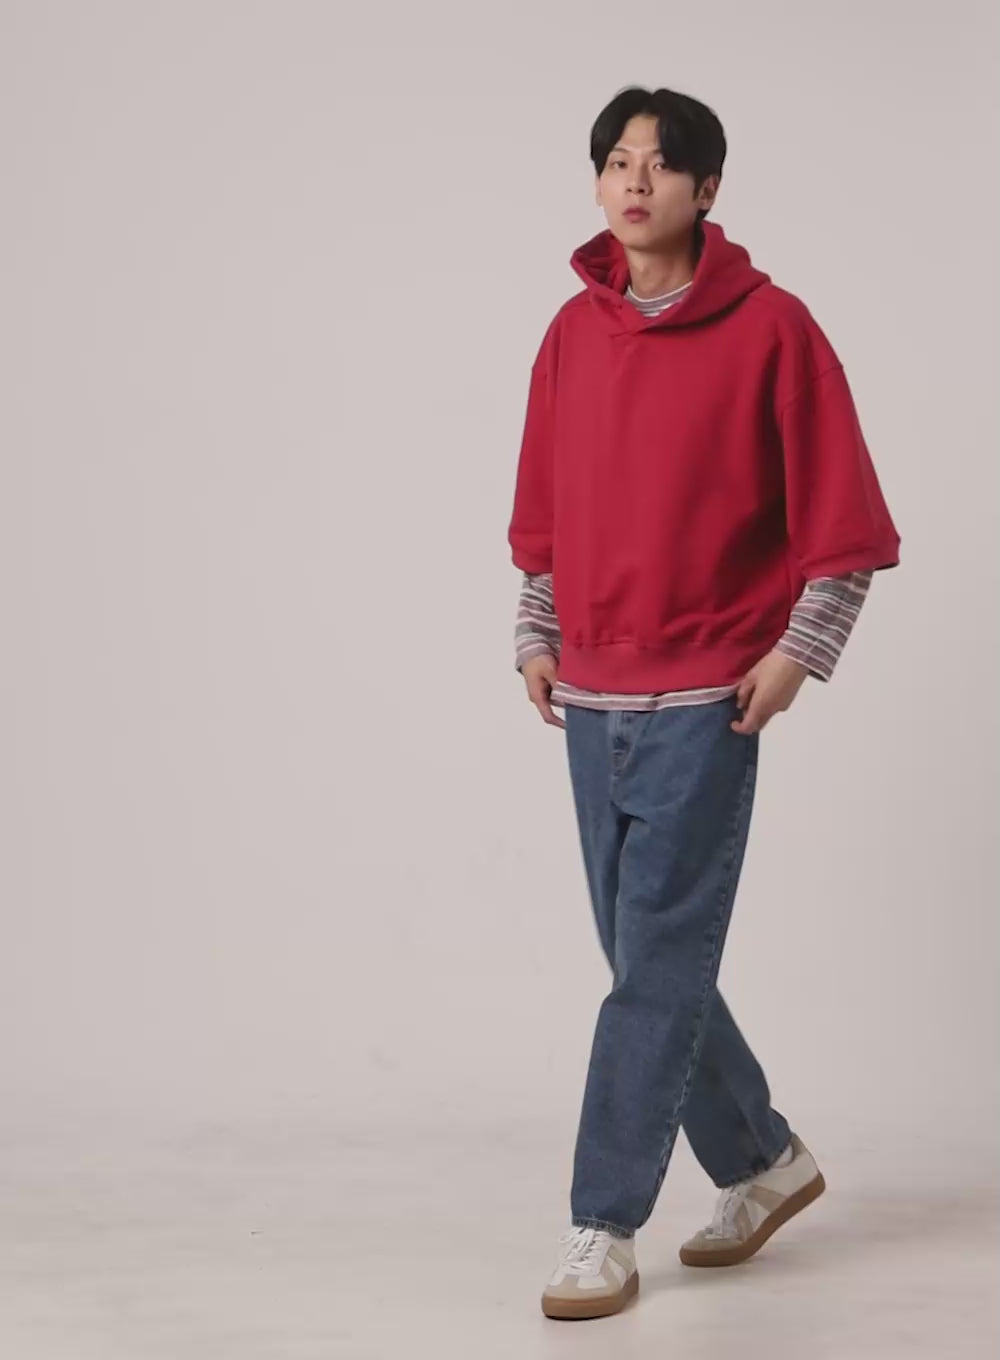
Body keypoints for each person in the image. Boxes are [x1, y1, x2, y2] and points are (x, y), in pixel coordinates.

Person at [507, 85, 900, 1322]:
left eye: (661, 165)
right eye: (615, 162)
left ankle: (604, 1220)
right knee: (649, 963)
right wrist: (535, 628)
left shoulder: (774, 329)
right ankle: (763, 1157)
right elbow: (546, 506)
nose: (634, 183)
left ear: (706, 189)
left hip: (706, 698)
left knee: (651, 971)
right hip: (589, 693)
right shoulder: (571, 334)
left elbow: (843, 521)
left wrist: (797, 656)